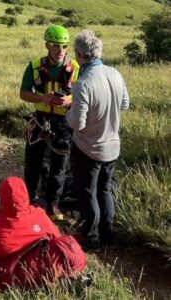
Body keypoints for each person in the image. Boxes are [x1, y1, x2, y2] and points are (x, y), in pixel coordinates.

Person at [66, 30, 129, 250]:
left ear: (80, 54)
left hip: (89, 148)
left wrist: (69, 110)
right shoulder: (115, 74)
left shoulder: (83, 83)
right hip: (112, 145)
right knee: (105, 190)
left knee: (87, 191)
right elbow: (124, 105)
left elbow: (77, 124)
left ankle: (91, 238)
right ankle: (108, 234)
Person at [0, 177, 87, 289]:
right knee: (40, 202)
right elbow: (56, 235)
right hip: (41, 260)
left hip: (15, 271)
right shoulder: (39, 215)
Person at [19, 24, 80, 221]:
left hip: (63, 121)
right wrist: (42, 98)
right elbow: (24, 93)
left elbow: (85, 94)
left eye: (64, 46)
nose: (60, 51)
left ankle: (53, 203)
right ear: (47, 45)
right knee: (32, 162)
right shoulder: (35, 66)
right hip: (40, 120)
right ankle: (30, 199)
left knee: (59, 165)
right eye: (55, 45)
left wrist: (68, 100)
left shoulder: (76, 67)